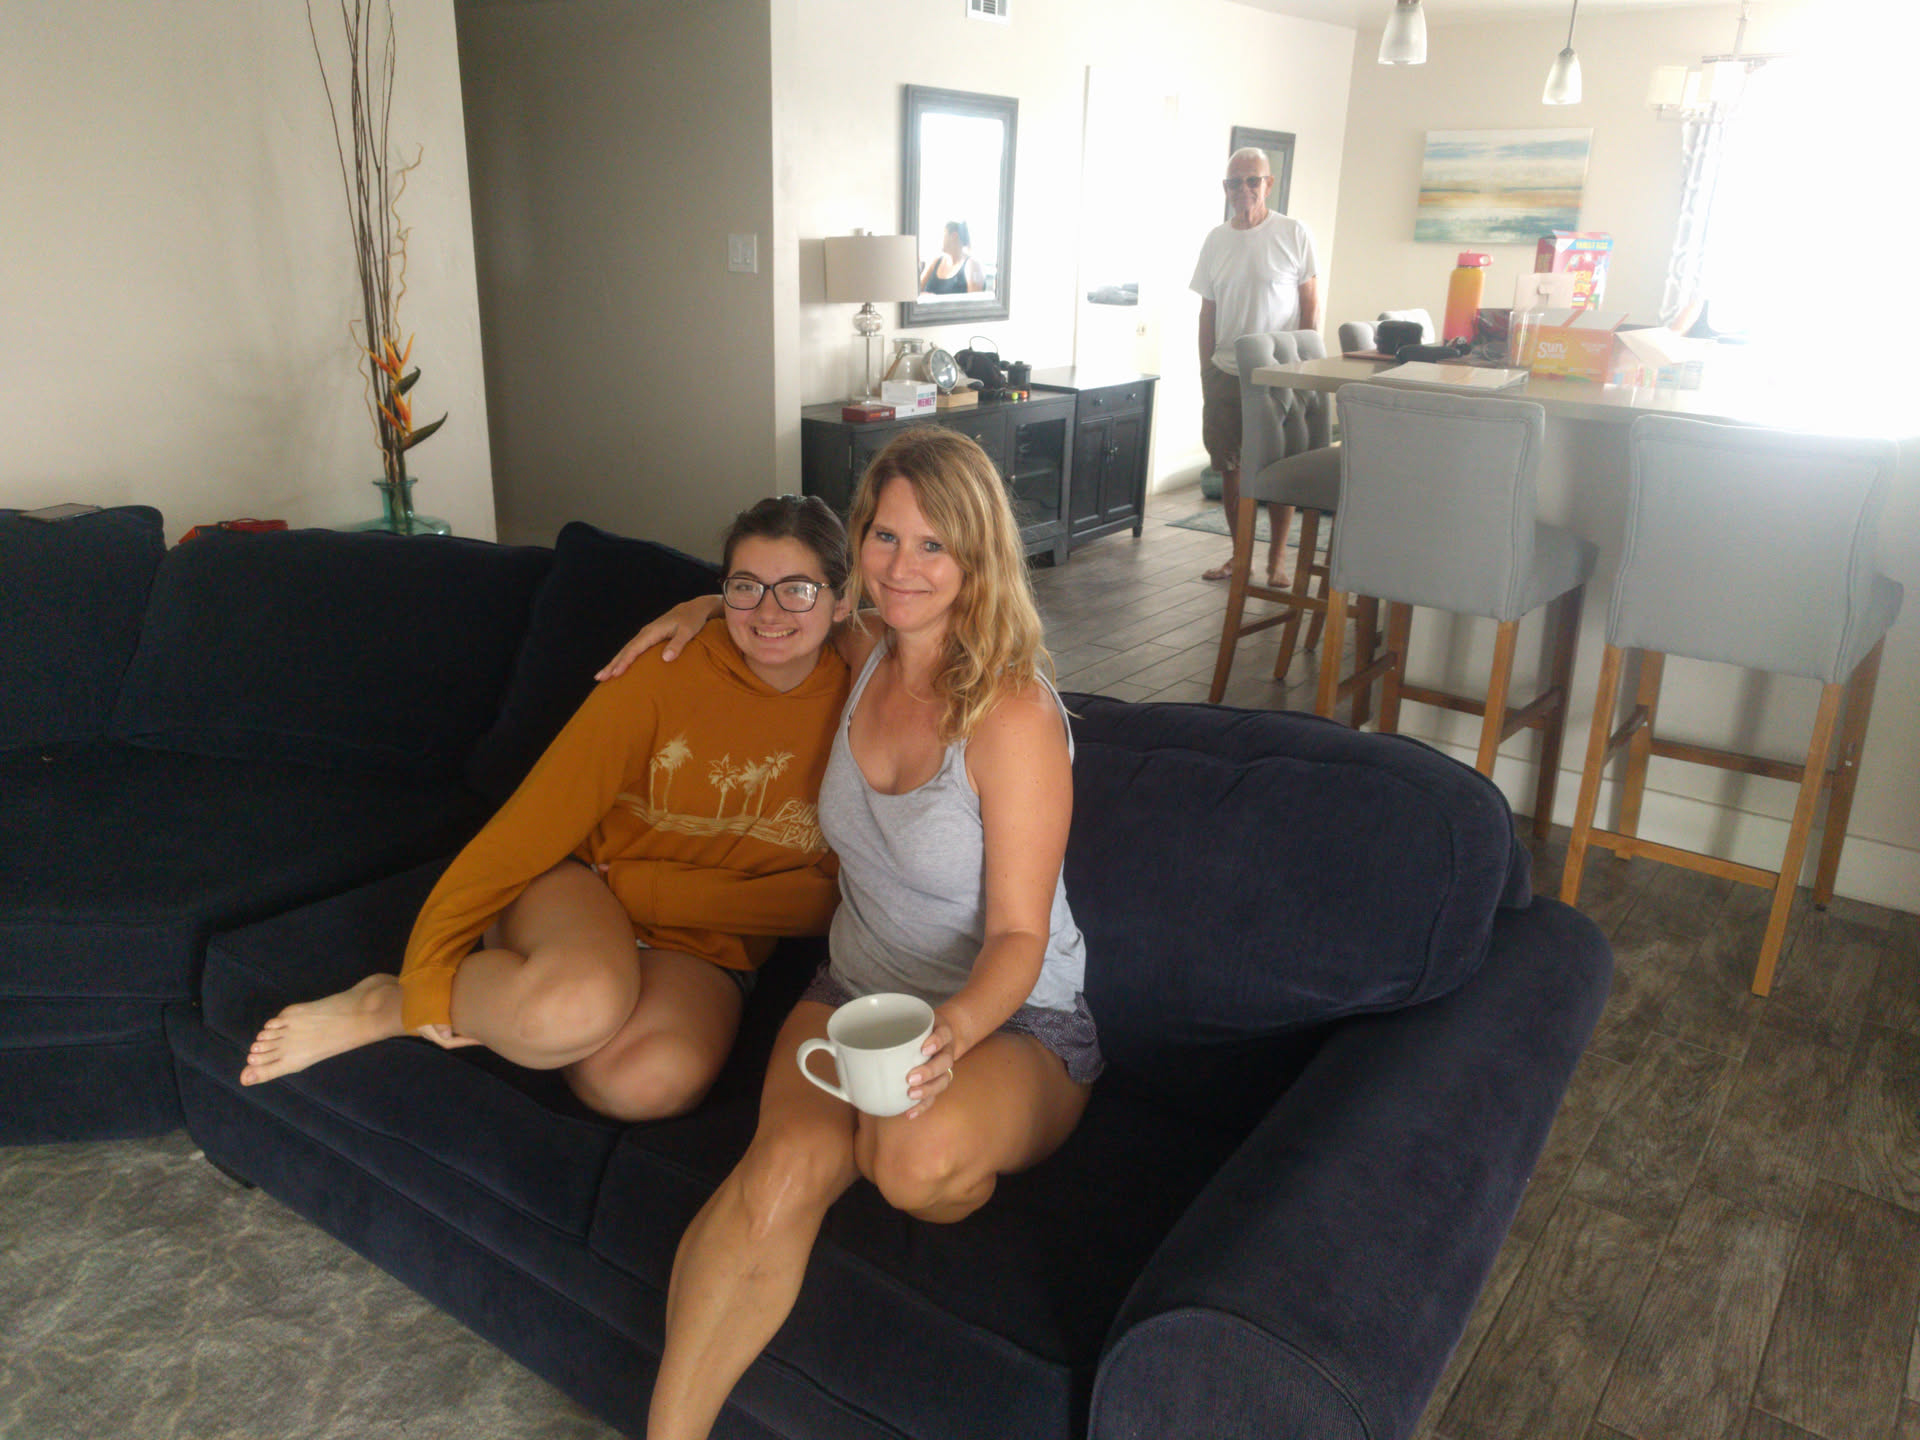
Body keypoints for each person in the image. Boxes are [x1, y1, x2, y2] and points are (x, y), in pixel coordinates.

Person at [602, 427, 1100, 1440]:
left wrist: (951, 1034)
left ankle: (920, 1153)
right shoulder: (863, 649)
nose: (902, 567)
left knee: (907, 1162)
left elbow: (1019, 934)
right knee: (778, 1172)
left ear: (978, 556)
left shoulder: (1012, 717)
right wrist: (703, 606)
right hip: (857, 994)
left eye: (933, 544)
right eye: (885, 536)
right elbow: (780, 609)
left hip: (1012, 1020)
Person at [238, 496, 855, 1123]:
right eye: (746, 587)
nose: (769, 612)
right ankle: (385, 1004)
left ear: (842, 600)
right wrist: (427, 967)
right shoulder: (666, 667)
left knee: (645, 1085)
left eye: (797, 589)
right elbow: (534, 821)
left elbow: (835, 900)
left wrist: (654, 892)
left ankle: (546, 1010)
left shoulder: (863, 704)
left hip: (706, 944)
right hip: (585, 888)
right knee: (571, 1011)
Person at [1191, 146, 1321, 585]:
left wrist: (1301, 362)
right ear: (1225, 187)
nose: (1243, 189)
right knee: (1230, 467)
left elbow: (1309, 303)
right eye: (1234, 182)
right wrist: (1207, 368)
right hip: (1225, 371)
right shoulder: (1216, 239)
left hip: (1279, 370)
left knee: (1281, 467)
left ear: (1268, 183)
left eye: (1252, 180)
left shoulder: (1293, 232)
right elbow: (1208, 310)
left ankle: (1277, 559)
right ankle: (1239, 555)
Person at [918, 220, 984, 295]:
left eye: (943, 235)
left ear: (954, 236)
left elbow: (974, 299)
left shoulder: (972, 265)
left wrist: (934, 298)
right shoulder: (936, 261)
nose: (939, 240)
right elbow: (915, 291)